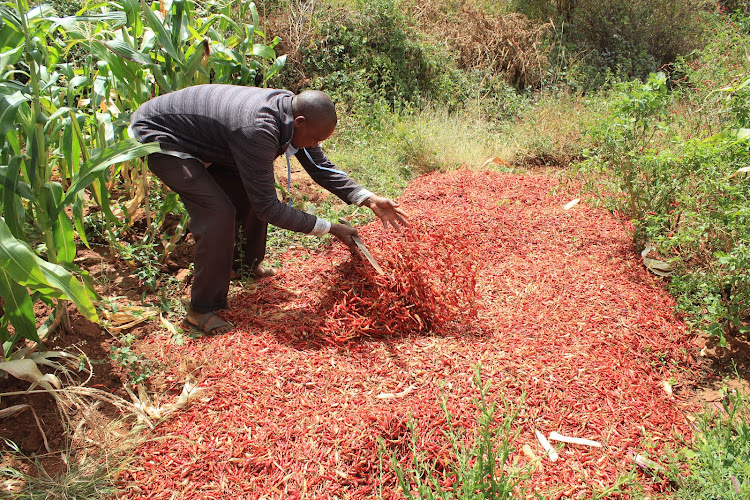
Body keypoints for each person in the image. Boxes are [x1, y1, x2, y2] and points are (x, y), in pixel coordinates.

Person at [130, 84, 408, 335]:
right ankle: (201, 310)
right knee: (218, 214)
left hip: (215, 139)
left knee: (252, 193)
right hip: (162, 136)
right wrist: (331, 228)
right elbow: (268, 209)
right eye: (313, 138)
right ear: (299, 123)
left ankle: (243, 266)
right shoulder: (257, 129)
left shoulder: (291, 116)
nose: (313, 145)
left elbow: (319, 166)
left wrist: (368, 198)